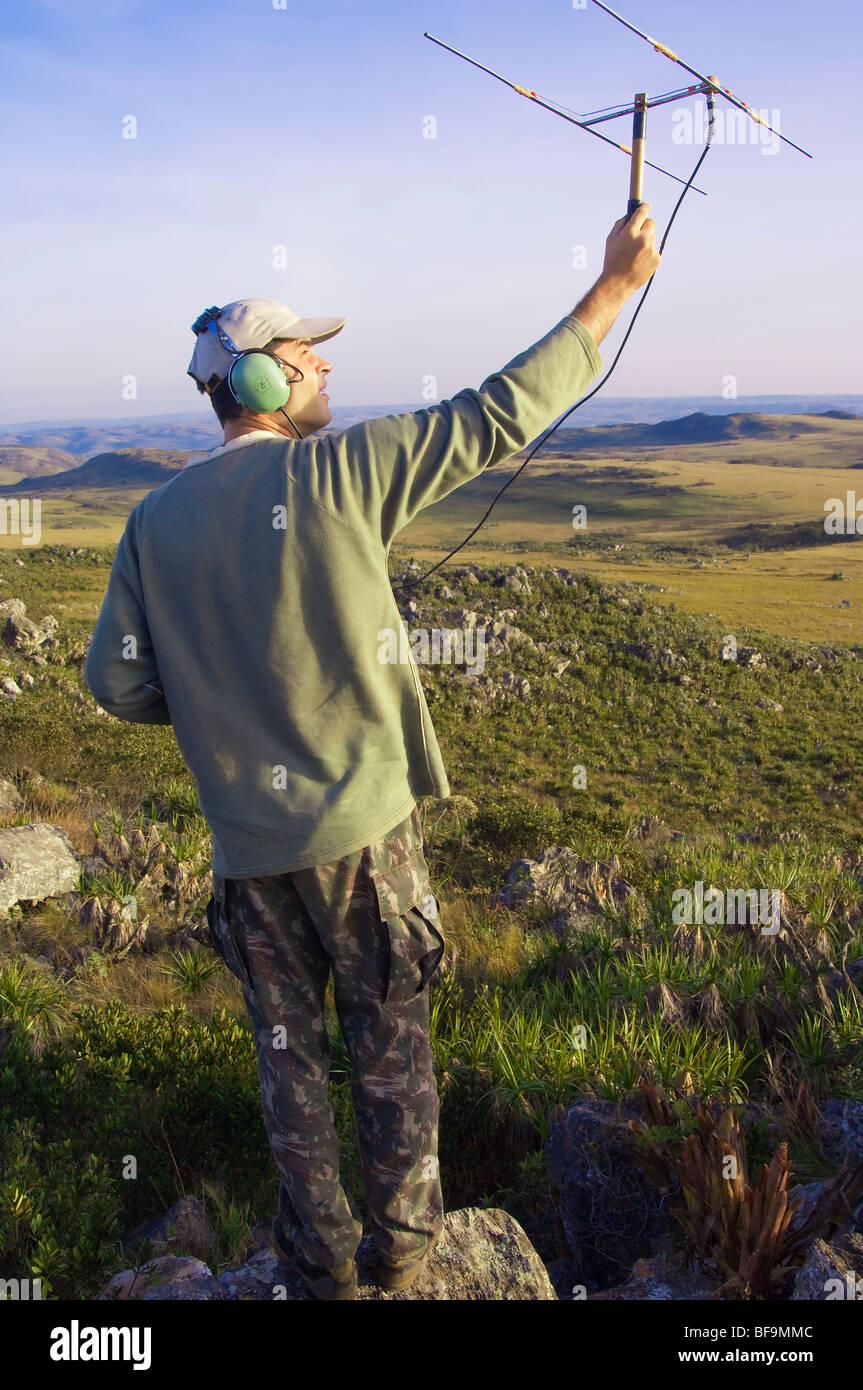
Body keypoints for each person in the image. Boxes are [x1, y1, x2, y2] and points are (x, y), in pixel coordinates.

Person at [84, 204, 660, 1300]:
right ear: (262, 383)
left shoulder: (151, 521)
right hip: (361, 838)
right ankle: (402, 1257)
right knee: (390, 1050)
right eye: (307, 358)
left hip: (246, 854)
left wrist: (213, 706)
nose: (324, 373)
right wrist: (611, 288)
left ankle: (319, 1268)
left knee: (287, 1064)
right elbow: (495, 414)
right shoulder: (337, 473)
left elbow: (112, 682)